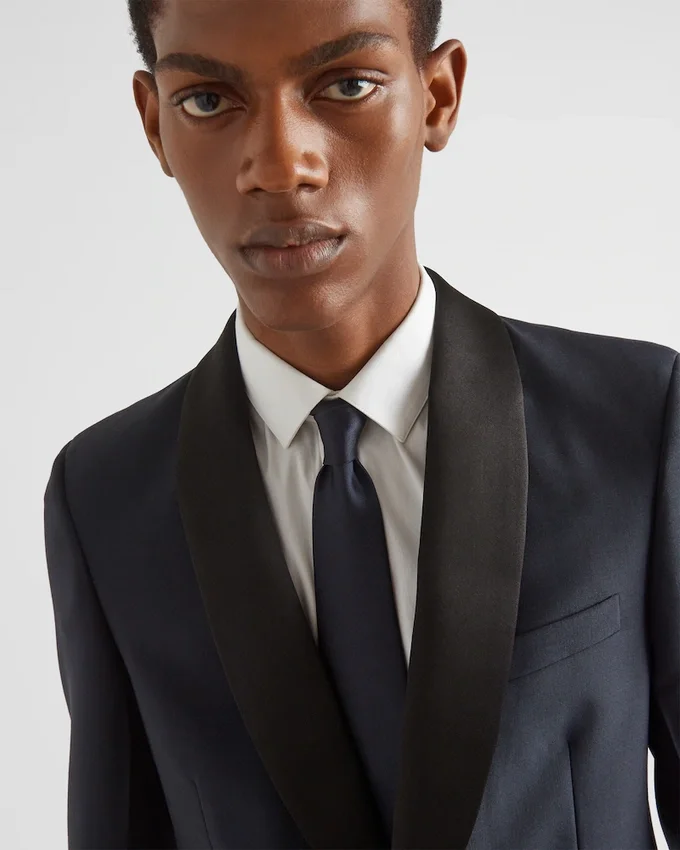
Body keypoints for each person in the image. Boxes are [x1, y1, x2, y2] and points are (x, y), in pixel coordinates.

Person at [43, 0, 679, 848]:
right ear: (155, 123)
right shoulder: (104, 498)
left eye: (346, 84)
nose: (282, 166)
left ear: (438, 96)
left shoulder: (636, 421)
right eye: (207, 100)